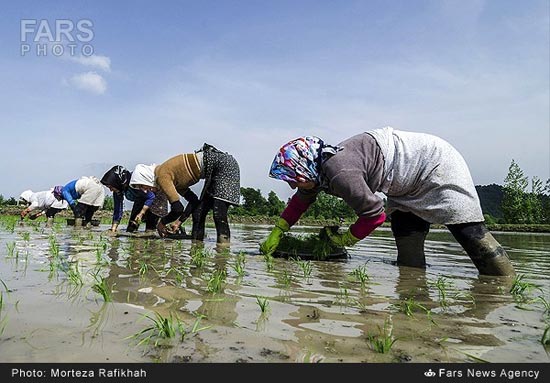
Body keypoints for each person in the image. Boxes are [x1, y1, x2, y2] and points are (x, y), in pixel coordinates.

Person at [260, 127, 515, 276]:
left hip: (433, 164)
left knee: (467, 229)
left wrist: (344, 240)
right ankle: (413, 285)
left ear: (306, 166)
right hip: (403, 184)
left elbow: (374, 215)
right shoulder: (318, 169)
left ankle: (503, 283)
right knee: (405, 233)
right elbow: (300, 201)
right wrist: (277, 231)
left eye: (295, 178)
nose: (293, 184)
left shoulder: (338, 171)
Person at [129, 143, 240, 243]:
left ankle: (223, 251)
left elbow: (177, 209)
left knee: (218, 212)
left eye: (142, 186)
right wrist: (178, 222)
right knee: (199, 212)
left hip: (224, 165)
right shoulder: (174, 180)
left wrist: (161, 223)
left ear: (145, 179)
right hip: (215, 167)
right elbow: (193, 201)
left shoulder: (162, 176)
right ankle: (197, 244)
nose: (144, 190)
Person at [100, 165, 163, 234]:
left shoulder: (136, 183)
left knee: (149, 230)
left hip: (155, 198)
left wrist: (141, 213)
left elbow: (151, 197)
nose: (111, 190)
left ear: (117, 183)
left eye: (111, 187)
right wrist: (113, 229)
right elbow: (117, 209)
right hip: (140, 199)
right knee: (131, 229)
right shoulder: (118, 190)